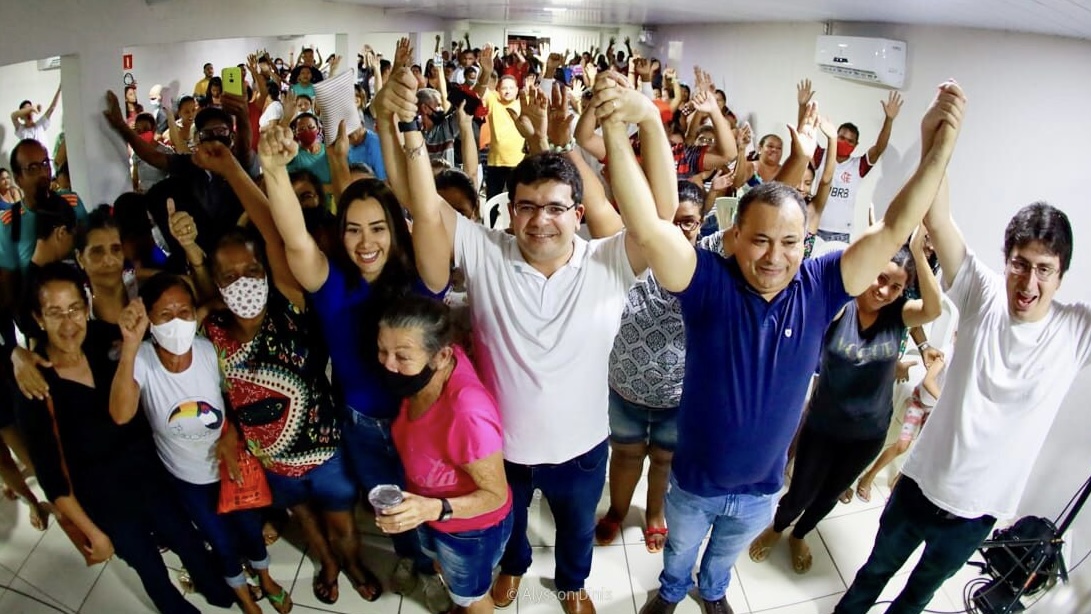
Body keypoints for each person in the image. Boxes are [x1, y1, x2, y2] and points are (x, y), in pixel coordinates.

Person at [596, 70, 965, 614]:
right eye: (761, 240)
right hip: (694, 480)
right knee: (679, 552)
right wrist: (616, 126)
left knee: (725, 556)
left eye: (790, 242)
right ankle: (672, 592)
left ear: (805, 242)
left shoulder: (820, 288)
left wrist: (940, 146)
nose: (774, 256)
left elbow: (891, 230)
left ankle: (715, 592)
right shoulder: (707, 283)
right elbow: (649, 229)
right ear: (735, 236)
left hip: (762, 489)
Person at [378, 66, 675, 614]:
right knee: (510, 525)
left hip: (582, 447)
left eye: (556, 207)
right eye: (527, 207)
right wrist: (397, 123)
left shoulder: (608, 261)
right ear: (510, 210)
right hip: (504, 449)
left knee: (577, 528)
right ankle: (512, 571)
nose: (541, 221)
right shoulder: (486, 250)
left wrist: (645, 124)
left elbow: (659, 214)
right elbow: (416, 199)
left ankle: (572, 585)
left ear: (578, 214)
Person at [835, 178, 1089, 612]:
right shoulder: (982, 292)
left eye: (1043, 268)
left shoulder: (1075, 331)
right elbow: (937, 217)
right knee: (874, 573)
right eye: (1019, 264)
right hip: (919, 486)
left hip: (976, 514)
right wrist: (944, 134)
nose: (1028, 281)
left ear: (1061, 273)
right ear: (1005, 262)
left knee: (917, 596)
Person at [179, 138, 378, 606]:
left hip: (324, 448)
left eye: (251, 267)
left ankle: (349, 562)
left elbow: (273, 230)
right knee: (304, 519)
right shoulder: (216, 329)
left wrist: (232, 169)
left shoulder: (288, 304)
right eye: (230, 275)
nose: (242, 280)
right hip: (271, 458)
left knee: (342, 523)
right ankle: (327, 563)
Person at [260, 124, 448, 610]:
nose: (365, 243)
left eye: (378, 228)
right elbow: (295, 242)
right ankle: (409, 558)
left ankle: (433, 564)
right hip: (361, 425)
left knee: (426, 502)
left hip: (419, 423)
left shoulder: (421, 281)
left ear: (395, 230)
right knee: (386, 501)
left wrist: (407, 134)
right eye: (353, 228)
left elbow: (428, 216)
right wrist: (274, 171)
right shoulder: (331, 283)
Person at [15, 263, 237, 614]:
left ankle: (219, 593)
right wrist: (94, 533)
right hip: (105, 501)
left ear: (86, 306)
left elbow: (162, 337)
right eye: (54, 313)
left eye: (74, 308)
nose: (69, 323)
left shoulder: (105, 338)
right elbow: (50, 475)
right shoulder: (35, 383)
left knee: (189, 541)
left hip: (151, 477)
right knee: (151, 570)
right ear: (38, 318)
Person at [748, 228, 942, 575]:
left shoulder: (898, 315)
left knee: (829, 496)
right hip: (824, 425)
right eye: (879, 278)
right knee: (801, 492)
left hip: (868, 434)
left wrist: (917, 251)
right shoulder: (842, 307)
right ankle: (777, 529)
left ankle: (801, 535)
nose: (883, 291)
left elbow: (934, 307)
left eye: (895, 286)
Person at [110, 274, 291, 614]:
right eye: (165, 315)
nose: (177, 322)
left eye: (184, 311)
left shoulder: (208, 350)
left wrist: (231, 438)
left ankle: (265, 578)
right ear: (149, 319)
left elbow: (233, 403)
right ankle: (243, 595)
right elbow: (121, 414)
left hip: (228, 467)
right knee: (220, 541)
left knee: (250, 529)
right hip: (187, 478)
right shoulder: (143, 360)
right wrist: (131, 347)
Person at [374, 295, 513, 614]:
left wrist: (433, 508)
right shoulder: (421, 377)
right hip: (431, 512)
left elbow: (495, 495)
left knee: (473, 597)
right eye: (383, 351)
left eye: (402, 356)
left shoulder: (467, 414)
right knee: (446, 572)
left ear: (442, 356)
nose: (387, 365)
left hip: (467, 531)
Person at [596, 181, 711, 554]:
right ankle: (617, 510)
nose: (678, 231)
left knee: (664, 459)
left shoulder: (709, 262)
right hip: (625, 388)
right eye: (668, 221)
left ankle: (654, 514)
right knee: (625, 454)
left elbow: (767, 222)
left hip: (680, 396)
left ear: (701, 223)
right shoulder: (629, 256)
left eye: (688, 222)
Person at [799, 79, 904, 242]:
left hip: (840, 234)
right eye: (841, 137)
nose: (845, 142)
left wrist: (889, 120)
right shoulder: (821, 156)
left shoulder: (858, 166)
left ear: (856, 145)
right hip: (814, 227)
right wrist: (802, 106)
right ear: (834, 134)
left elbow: (879, 148)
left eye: (850, 141)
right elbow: (804, 135)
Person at [854, 343, 950, 503]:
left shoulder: (970, 364)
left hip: (934, 409)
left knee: (920, 451)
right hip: (919, 402)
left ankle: (896, 487)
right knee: (902, 446)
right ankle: (868, 477)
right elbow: (928, 381)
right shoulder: (947, 353)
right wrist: (946, 402)